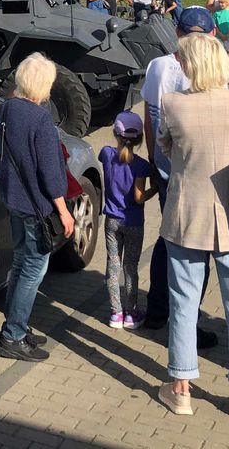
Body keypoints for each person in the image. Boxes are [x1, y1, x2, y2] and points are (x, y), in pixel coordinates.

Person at [155, 32, 229, 425]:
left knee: (184, 304)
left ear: (191, 64)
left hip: (186, 214)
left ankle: (181, 388)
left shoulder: (171, 103)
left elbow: (165, 147)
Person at [139, 8, 217, 347]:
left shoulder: (157, 66)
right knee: (197, 250)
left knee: (166, 239)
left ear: (176, 31)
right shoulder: (203, 71)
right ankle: (190, 321)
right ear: (211, 36)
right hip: (196, 173)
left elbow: (148, 115)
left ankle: (156, 310)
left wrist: (152, 156)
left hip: (164, 164)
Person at [0, 53, 74, 361]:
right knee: (34, 268)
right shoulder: (39, 117)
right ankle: (13, 334)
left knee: (19, 262)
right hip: (34, 204)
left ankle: (18, 325)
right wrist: (63, 210)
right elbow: (50, 172)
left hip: (13, 196)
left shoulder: (7, 108)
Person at [99, 111, 154, 329]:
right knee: (130, 267)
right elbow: (139, 197)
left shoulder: (106, 154)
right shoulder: (141, 165)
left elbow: (109, 157)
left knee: (112, 265)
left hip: (112, 220)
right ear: (139, 139)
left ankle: (115, 312)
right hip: (133, 221)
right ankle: (131, 312)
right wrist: (155, 190)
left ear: (115, 133)